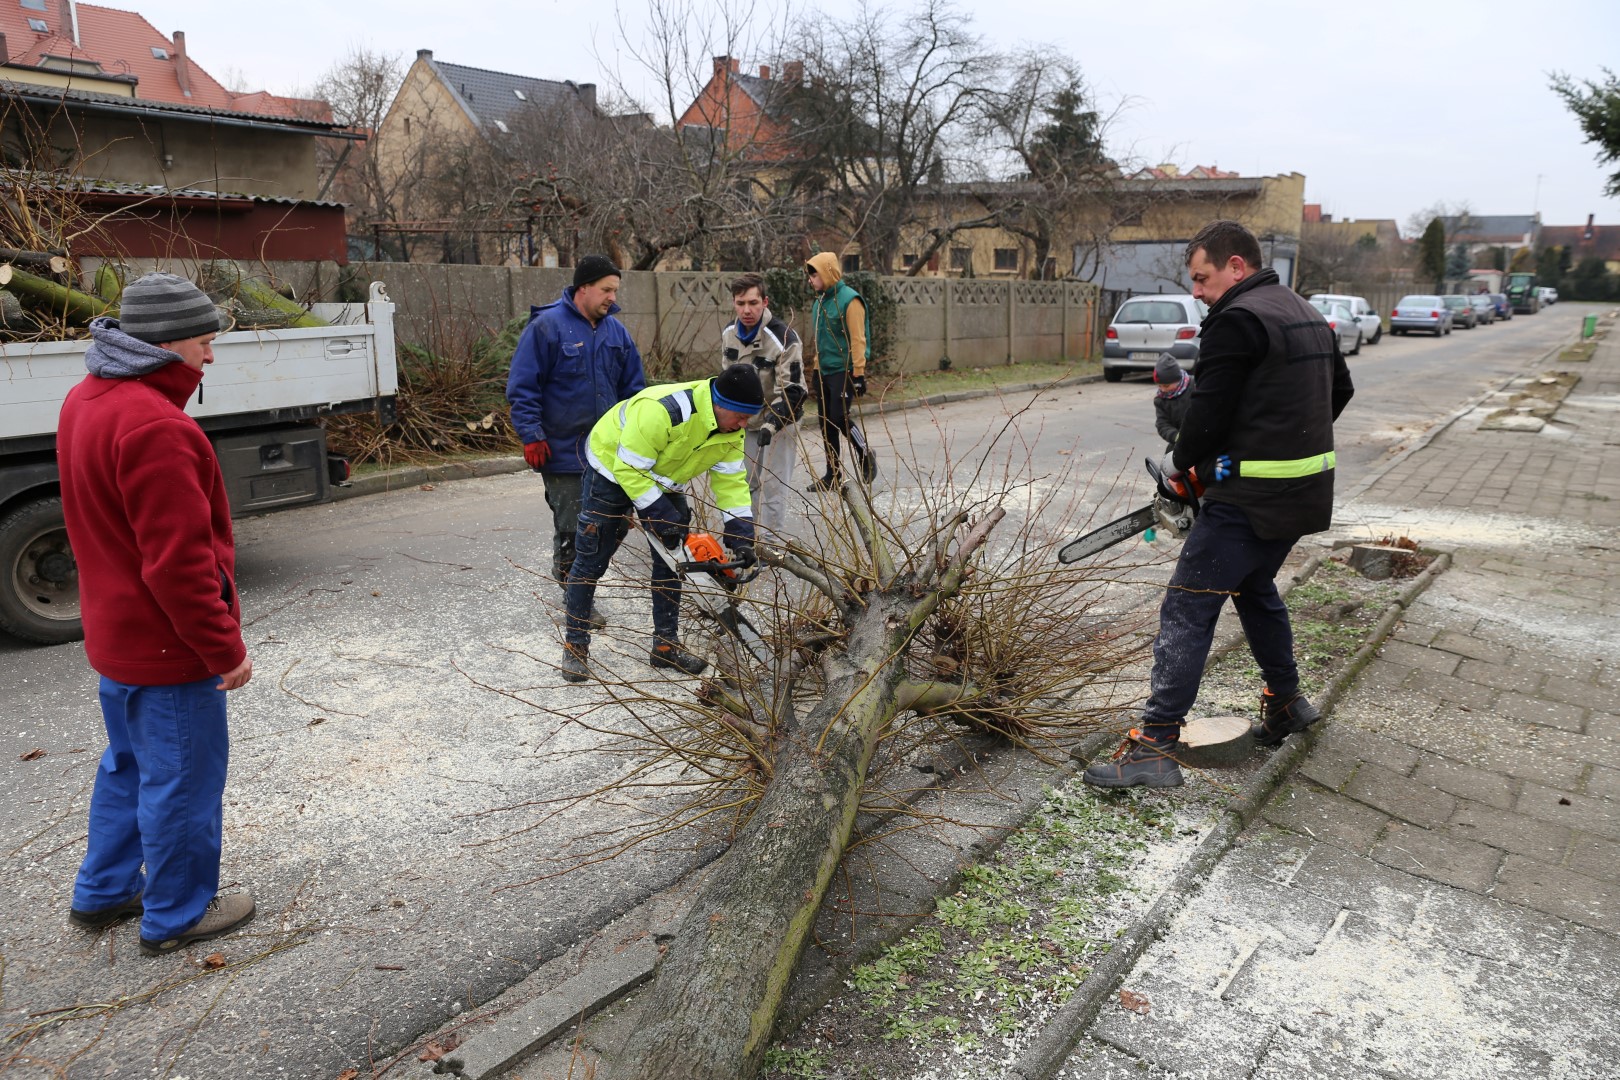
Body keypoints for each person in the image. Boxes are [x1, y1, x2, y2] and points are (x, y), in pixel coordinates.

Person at [1084, 220, 1355, 790]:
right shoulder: (1303, 310)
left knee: (1188, 605)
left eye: (1203, 279)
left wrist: (1185, 468)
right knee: (1254, 589)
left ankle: (1154, 745)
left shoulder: (1238, 319)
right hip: (1304, 495)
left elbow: (1206, 415)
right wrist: (1273, 444)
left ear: (1237, 266)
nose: (1199, 292)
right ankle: (1285, 701)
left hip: (1250, 499)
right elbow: (1340, 392)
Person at [56, 272, 258, 955]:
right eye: (205, 342)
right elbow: (178, 565)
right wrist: (223, 648)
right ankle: (177, 914)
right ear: (167, 344)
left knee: (129, 767)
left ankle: (105, 891)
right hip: (166, 648)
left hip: (117, 639)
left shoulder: (86, 399)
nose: (210, 355)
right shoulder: (155, 426)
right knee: (182, 782)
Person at [560, 364, 764, 683]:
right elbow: (629, 468)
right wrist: (658, 513)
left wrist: (741, 535)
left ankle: (665, 647)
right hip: (613, 467)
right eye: (740, 416)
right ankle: (575, 647)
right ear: (719, 404)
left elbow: (732, 483)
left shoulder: (730, 430)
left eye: (748, 418)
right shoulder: (665, 411)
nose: (743, 424)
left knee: (672, 563)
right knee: (591, 559)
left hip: (665, 477)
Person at [506, 255, 647, 588]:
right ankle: (575, 594)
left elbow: (635, 392)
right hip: (564, 451)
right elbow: (523, 386)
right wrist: (531, 434)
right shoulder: (547, 327)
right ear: (584, 288)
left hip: (611, 454)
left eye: (615, 290)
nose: (613, 297)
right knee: (575, 528)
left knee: (620, 522)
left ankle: (581, 579)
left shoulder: (617, 333)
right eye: (606, 290)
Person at [721, 273, 807, 539]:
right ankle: (747, 539)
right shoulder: (728, 335)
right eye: (741, 303)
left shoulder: (784, 338)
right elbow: (726, 382)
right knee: (745, 481)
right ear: (734, 303)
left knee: (772, 484)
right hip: (745, 421)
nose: (747, 310)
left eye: (753, 302)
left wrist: (772, 424)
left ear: (765, 302)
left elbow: (794, 391)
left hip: (781, 418)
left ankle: (770, 543)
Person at [804, 252, 876, 490]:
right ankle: (832, 474)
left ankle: (865, 453)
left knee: (839, 417)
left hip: (844, 370)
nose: (810, 280)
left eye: (814, 275)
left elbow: (858, 339)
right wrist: (815, 369)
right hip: (824, 370)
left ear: (828, 272)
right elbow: (819, 340)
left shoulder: (850, 300)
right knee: (826, 422)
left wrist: (859, 373)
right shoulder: (819, 303)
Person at [1153, 353, 1194, 451]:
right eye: (1159, 386)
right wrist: (1177, 437)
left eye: (1166, 386)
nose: (1162, 390)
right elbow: (1162, 424)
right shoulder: (1161, 399)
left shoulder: (1195, 386)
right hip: (1179, 443)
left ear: (1177, 380)